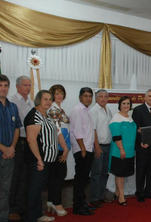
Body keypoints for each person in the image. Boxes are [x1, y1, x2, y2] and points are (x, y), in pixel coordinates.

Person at [24, 90, 67, 222]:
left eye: (50, 99)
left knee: (38, 190)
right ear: (38, 100)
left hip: (48, 159)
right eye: (45, 99)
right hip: (38, 160)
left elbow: (55, 133)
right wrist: (39, 159)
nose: (48, 101)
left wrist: (64, 148)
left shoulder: (47, 115)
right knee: (33, 190)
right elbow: (31, 139)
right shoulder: (34, 115)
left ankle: (38, 215)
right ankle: (30, 218)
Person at [0, 74, 21, 222]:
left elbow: (17, 129)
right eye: (0, 85)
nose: (3, 88)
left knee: (4, 192)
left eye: (6, 85)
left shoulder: (13, 107)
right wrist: (4, 149)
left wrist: (11, 147)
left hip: (9, 157)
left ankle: (1, 219)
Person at [9, 75, 34, 221]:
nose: (28, 88)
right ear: (17, 86)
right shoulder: (12, 101)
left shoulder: (30, 102)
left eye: (29, 85)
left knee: (25, 176)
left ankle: (21, 207)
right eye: (25, 85)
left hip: (29, 141)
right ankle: (11, 208)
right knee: (14, 177)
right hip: (16, 141)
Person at [69, 87, 96, 215]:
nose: (88, 98)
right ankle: (77, 206)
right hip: (82, 149)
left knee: (84, 179)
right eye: (85, 96)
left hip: (88, 148)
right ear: (80, 97)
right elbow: (77, 131)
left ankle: (82, 203)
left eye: (90, 96)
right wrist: (83, 149)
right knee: (80, 179)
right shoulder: (77, 110)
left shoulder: (87, 110)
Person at [46, 85, 70, 216]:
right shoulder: (53, 109)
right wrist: (65, 149)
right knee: (59, 175)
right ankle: (57, 202)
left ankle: (51, 200)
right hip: (59, 146)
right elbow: (57, 129)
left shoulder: (59, 108)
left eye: (61, 93)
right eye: (57, 94)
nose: (60, 96)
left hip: (61, 145)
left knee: (55, 175)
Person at [109, 96, 137, 206]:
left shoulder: (130, 118)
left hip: (129, 151)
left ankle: (117, 192)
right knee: (119, 174)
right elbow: (116, 136)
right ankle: (121, 196)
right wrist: (121, 149)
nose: (126, 105)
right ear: (120, 105)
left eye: (128, 103)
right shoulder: (116, 118)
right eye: (124, 103)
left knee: (123, 173)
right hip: (119, 150)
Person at [89, 89, 113, 207]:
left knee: (104, 173)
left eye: (105, 96)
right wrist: (96, 146)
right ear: (96, 98)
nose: (103, 98)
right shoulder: (93, 111)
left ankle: (101, 195)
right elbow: (92, 130)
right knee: (96, 173)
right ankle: (94, 198)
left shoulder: (108, 110)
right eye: (100, 96)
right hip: (99, 147)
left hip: (108, 146)